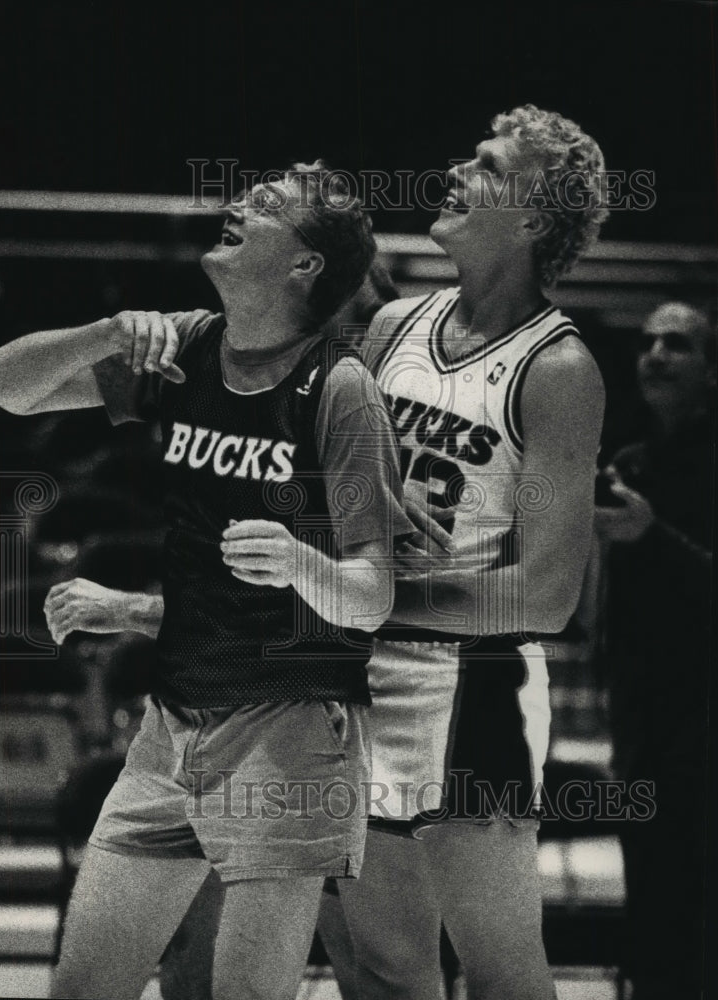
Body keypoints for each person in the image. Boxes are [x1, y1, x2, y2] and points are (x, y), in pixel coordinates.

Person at [0, 164, 413, 1000]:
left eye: (269, 206)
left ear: (304, 265)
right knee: (83, 987)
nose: (237, 205)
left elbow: (373, 593)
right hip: (171, 723)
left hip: (290, 727)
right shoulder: (186, 347)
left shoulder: (341, 390)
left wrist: (300, 563)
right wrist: (107, 329)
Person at [325, 103, 608, 1000]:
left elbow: (546, 594)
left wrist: (375, 598)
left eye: (485, 163)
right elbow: (337, 496)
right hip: (361, 676)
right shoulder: (392, 328)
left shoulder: (558, 370)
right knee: (384, 969)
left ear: (529, 217)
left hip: (473, 684)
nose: (455, 168)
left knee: (502, 975)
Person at [596, 302, 714, 999]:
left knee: (697, 885)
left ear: (711, 370)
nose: (656, 354)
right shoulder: (631, 460)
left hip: (705, 707)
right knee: (647, 873)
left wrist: (651, 534)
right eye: (647, 342)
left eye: (676, 343)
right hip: (643, 709)